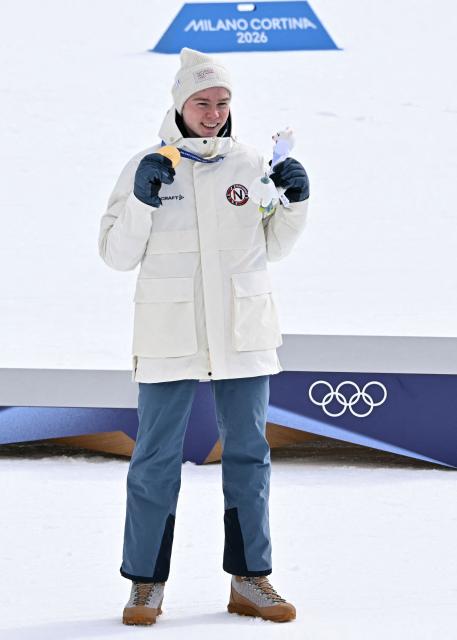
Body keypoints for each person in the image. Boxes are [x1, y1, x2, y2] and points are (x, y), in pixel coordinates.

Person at [98, 46, 310, 626]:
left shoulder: (248, 163)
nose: (213, 112)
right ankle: (145, 584)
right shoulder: (147, 163)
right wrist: (143, 198)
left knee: (249, 455)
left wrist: (295, 203)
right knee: (155, 459)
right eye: (202, 102)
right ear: (179, 104)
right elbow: (117, 254)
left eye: (222, 102)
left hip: (242, 334)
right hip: (170, 335)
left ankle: (250, 579)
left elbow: (272, 248)